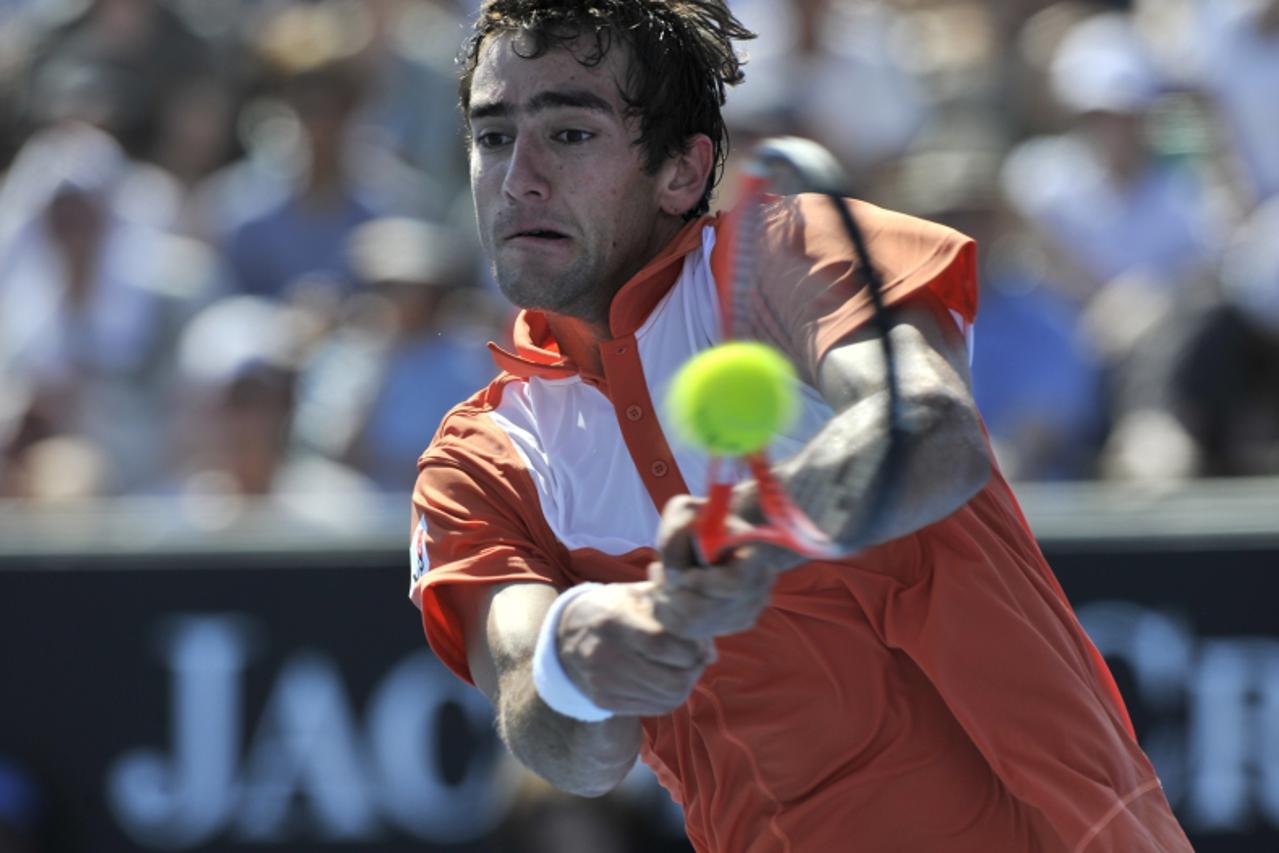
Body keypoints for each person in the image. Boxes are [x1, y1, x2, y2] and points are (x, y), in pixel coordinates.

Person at [408, 1, 1194, 850]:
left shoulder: (782, 253)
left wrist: (761, 531)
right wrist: (581, 659)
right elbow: (565, 743)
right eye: (492, 138)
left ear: (680, 170)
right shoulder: (474, 465)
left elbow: (931, 430)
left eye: (568, 135)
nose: (518, 176)